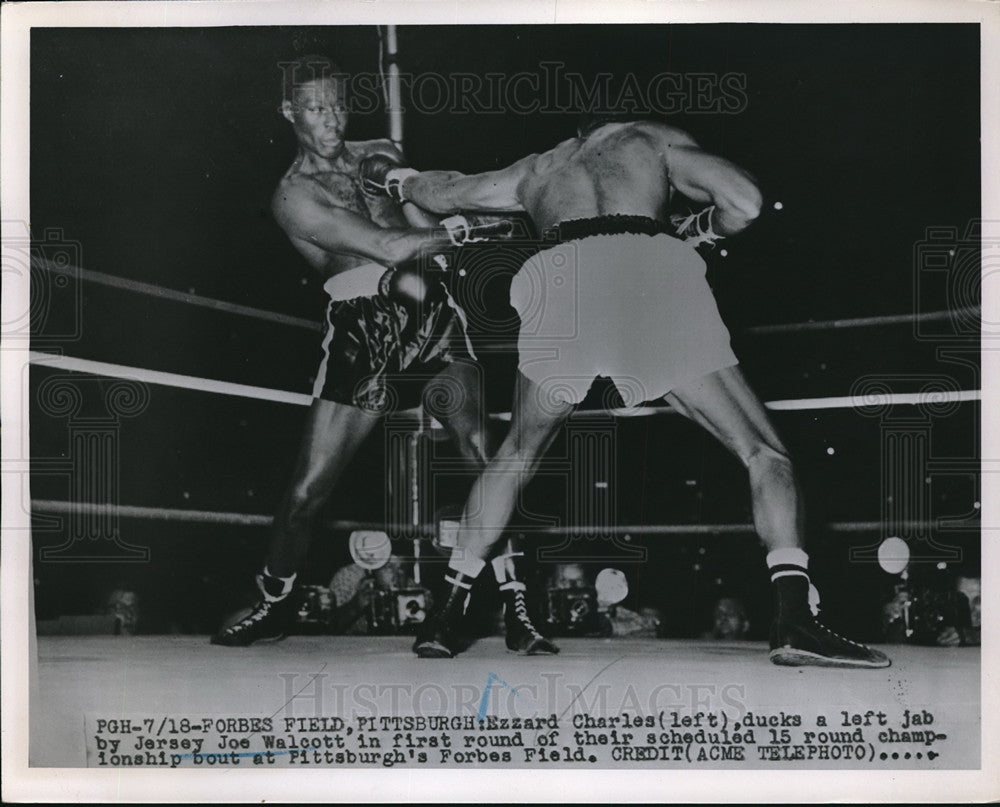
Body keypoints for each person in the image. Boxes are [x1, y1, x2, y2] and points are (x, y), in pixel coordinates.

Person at [362, 113, 890, 667]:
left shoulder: (538, 168)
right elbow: (746, 202)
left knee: (515, 455)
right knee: (763, 452)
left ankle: (445, 615)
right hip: (644, 274)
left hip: (557, 278)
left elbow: (440, 192)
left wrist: (395, 179)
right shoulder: (653, 139)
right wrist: (702, 229)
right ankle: (794, 619)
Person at [211, 55, 552, 654]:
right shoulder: (293, 195)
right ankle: (275, 599)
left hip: (436, 312)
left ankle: (519, 603)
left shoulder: (382, 149)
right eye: (316, 108)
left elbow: (422, 212)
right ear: (290, 112)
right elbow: (387, 245)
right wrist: (473, 231)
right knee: (307, 491)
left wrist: (456, 209)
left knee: (486, 457)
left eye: (339, 105)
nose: (332, 119)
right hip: (365, 324)